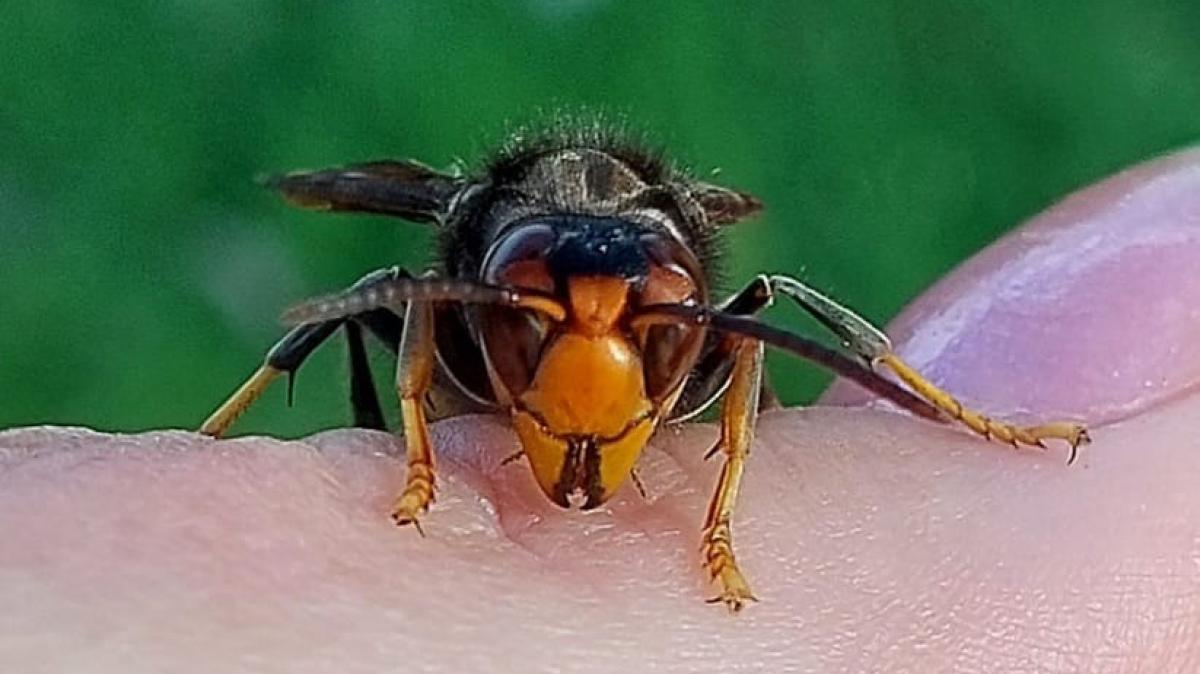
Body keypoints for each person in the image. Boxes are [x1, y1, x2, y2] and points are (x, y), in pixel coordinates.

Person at [2, 148, 1198, 673]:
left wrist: (722, 527)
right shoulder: (474, 284)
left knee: (768, 307)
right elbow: (420, 304)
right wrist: (412, 463)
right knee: (377, 302)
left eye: (639, 316)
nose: (597, 346)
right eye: (549, 310)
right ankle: (218, 441)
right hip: (461, 343)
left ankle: (933, 412)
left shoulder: (687, 315)